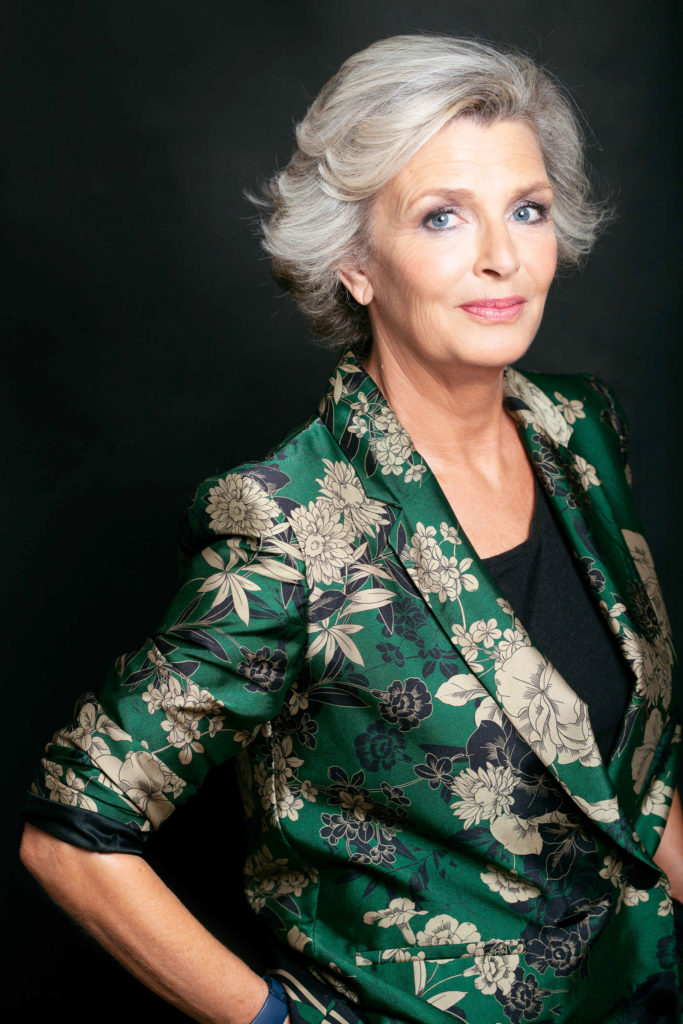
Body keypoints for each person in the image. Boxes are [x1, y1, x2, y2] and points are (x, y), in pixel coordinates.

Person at [20, 33, 682, 1024]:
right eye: (442, 216)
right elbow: (70, 834)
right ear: (356, 265)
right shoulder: (289, 523)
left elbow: (625, 766)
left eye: (526, 209)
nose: (502, 257)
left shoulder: (580, 428)